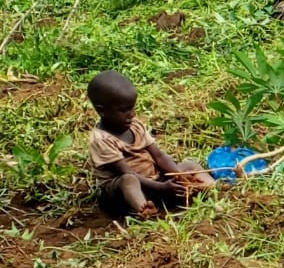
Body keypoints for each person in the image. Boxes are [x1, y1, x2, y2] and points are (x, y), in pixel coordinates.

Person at [86, 70, 215, 219]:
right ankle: (145, 210)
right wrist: (162, 187)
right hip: (123, 195)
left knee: (189, 165)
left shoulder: (134, 125)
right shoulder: (101, 140)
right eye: (124, 110)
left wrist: (180, 177)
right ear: (101, 110)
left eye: (132, 108)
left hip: (154, 182)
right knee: (129, 180)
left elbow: (159, 156)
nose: (132, 114)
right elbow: (127, 172)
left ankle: (213, 188)